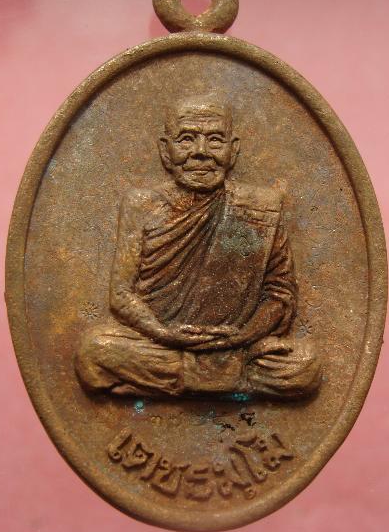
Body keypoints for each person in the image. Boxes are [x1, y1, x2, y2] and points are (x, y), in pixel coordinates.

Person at [74, 94, 321, 398]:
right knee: (95, 352)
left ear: (233, 150)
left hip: (237, 344)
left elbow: (280, 294)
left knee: (306, 365)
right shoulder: (142, 205)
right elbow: (122, 295)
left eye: (215, 140)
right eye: (186, 139)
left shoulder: (261, 207)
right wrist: (164, 333)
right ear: (165, 151)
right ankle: (227, 381)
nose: (201, 153)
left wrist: (242, 336)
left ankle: (198, 379)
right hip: (164, 343)